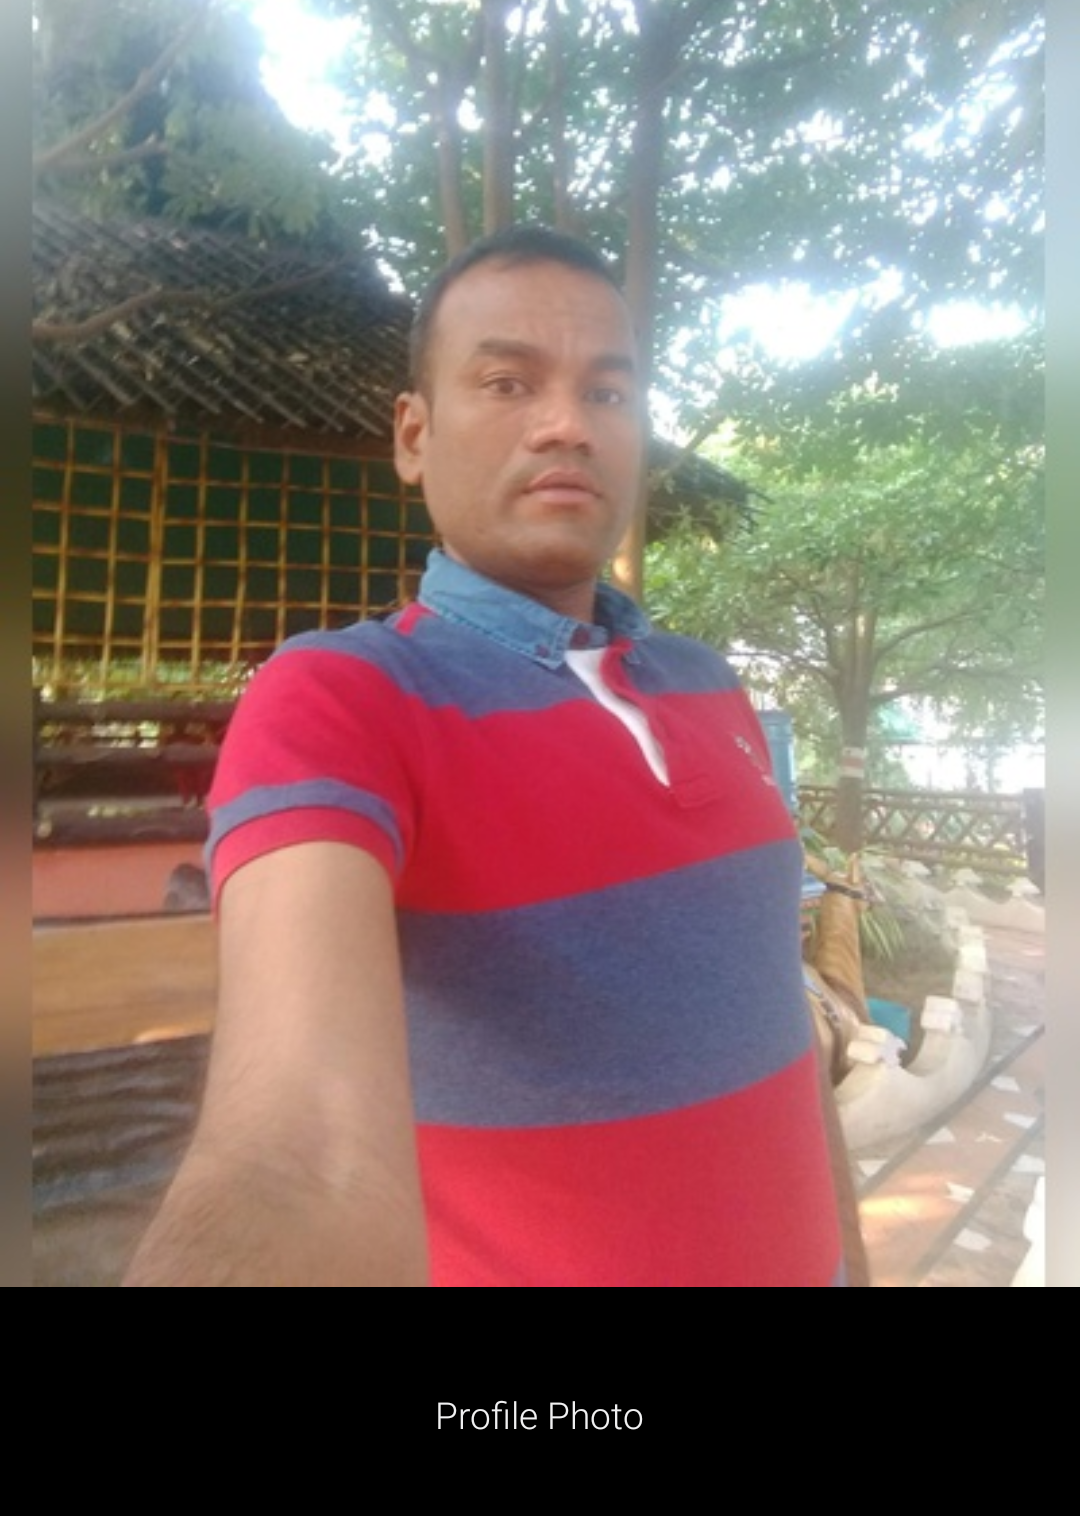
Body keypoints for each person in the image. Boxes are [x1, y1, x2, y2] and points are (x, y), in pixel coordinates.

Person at [124, 226, 869, 1287]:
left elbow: (778, 1017)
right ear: (414, 435)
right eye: (509, 382)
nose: (568, 424)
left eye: (608, 393)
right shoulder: (345, 697)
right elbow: (300, 1159)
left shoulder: (713, 686)